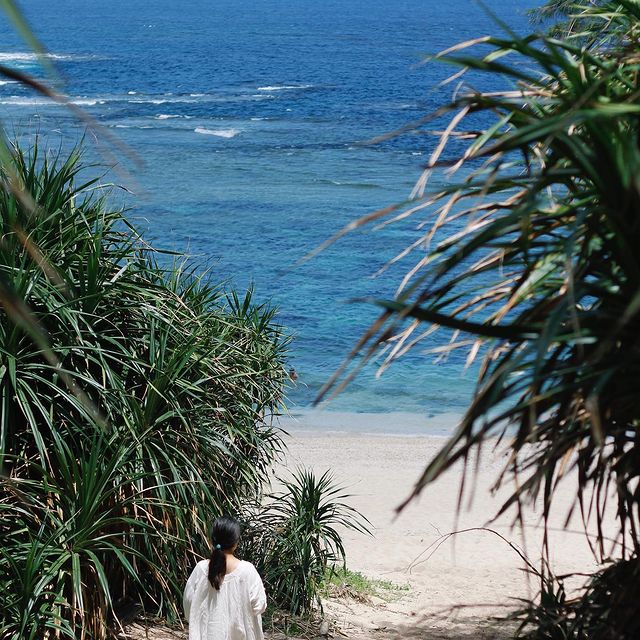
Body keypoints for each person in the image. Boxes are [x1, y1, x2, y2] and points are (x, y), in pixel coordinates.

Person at [183, 517, 267, 640]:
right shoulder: (247, 571)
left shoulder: (201, 569)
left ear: (212, 540)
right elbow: (259, 606)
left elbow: (189, 603)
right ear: (236, 542)